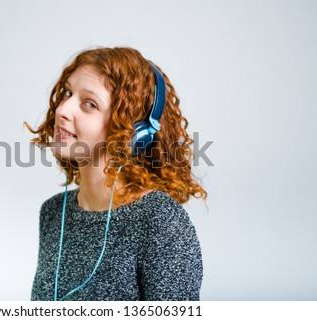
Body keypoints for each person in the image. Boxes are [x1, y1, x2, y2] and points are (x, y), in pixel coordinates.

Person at [24, 47, 207, 301]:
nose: (62, 110)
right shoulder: (54, 213)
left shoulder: (159, 219)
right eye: (67, 93)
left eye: (89, 104)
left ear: (133, 131)